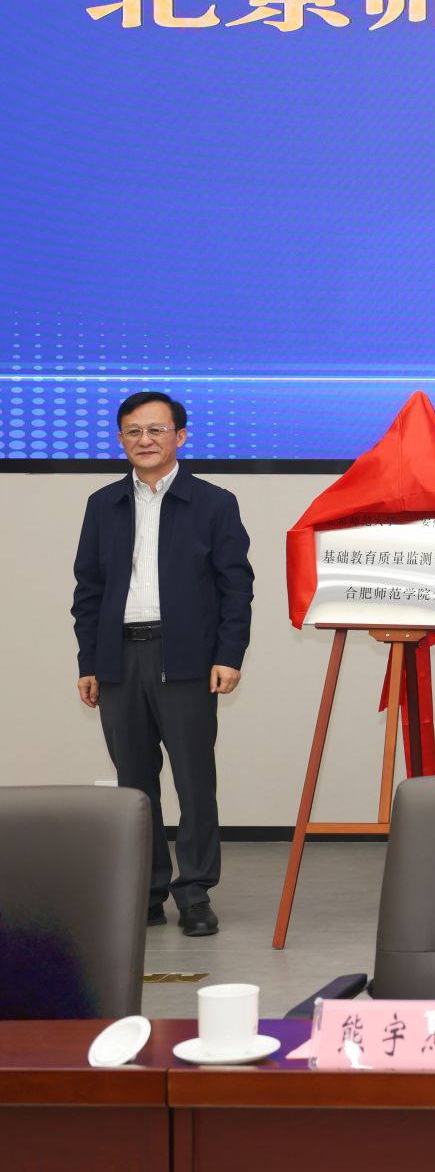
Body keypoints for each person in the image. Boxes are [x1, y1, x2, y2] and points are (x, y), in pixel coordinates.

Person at [72, 392, 253, 936]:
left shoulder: (213, 502)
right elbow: (88, 590)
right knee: (134, 786)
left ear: (180, 436)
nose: (144, 440)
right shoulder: (102, 504)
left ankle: (194, 893)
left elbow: (236, 587)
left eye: (155, 430)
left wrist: (228, 655)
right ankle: (146, 893)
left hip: (188, 658)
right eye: (133, 431)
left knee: (195, 781)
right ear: (121, 439)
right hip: (118, 658)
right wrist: (89, 661)